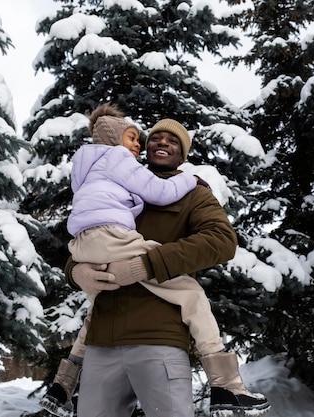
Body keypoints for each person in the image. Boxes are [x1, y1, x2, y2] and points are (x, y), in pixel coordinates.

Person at [40, 107, 270, 417]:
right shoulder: (119, 185)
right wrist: (75, 272)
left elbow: (221, 241)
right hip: (102, 344)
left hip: (157, 339)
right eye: (155, 137)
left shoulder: (193, 194)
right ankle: (63, 385)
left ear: (182, 154)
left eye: (172, 140)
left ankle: (227, 384)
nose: (161, 142)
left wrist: (145, 265)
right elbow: (94, 240)